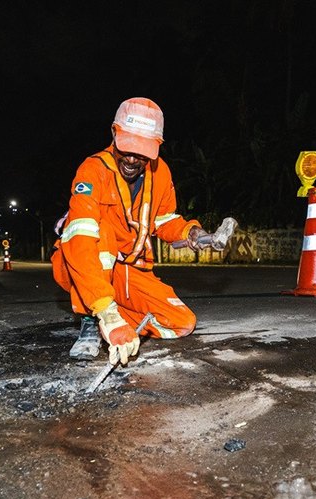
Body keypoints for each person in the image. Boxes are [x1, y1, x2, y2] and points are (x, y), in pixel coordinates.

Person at [52, 97, 212, 365]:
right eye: (127, 147)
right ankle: (92, 320)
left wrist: (190, 232)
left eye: (141, 151)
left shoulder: (161, 173)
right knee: (99, 231)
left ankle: (115, 318)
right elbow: (79, 239)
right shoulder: (92, 171)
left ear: (156, 147)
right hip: (82, 265)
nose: (131, 158)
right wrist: (106, 312)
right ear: (114, 132)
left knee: (181, 323)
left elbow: (163, 220)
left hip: (128, 271)